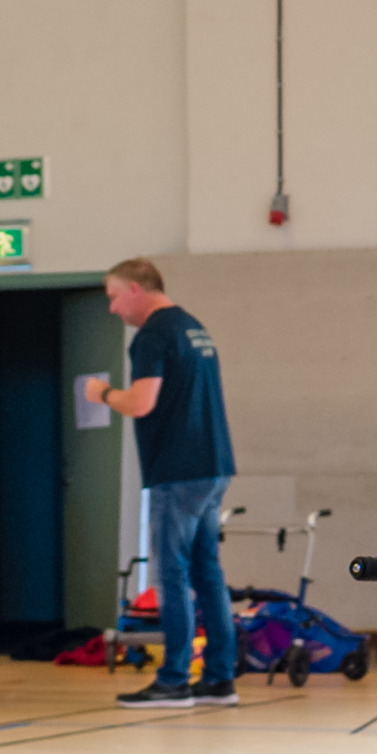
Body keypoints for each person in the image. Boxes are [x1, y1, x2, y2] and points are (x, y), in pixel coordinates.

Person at [87, 258, 237, 711]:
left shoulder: (152, 334)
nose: (113, 308)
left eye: (113, 296)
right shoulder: (193, 327)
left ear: (136, 288)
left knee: (170, 574)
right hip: (213, 465)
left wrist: (103, 394)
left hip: (179, 470)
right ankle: (219, 678)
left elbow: (141, 402)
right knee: (207, 574)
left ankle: (174, 679)